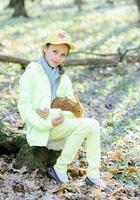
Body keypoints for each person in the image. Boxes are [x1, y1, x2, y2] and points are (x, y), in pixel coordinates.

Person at [17, 30, 105, 188]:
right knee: (89, 125)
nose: (57, 57)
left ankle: (93, 174)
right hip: (40, 128)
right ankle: (60, 167)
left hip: (58, 124)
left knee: (93, 125)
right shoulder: (32, 73)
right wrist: (41, 115)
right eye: (54, 51)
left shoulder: (63, 77)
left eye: (63, 54)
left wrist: (62, 113)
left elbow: (73, 111)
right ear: (45, 48)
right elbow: (24, 106)